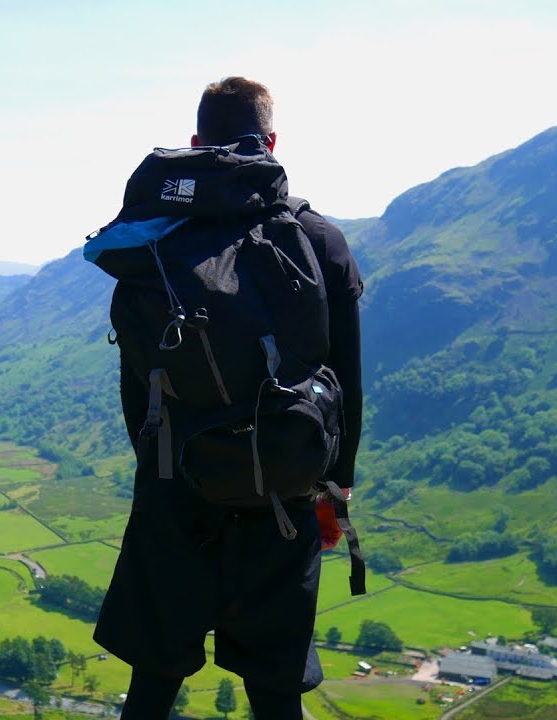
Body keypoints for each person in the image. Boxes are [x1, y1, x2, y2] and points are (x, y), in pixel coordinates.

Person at [90, 77, 364, 719]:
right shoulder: (317, 240)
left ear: (195, 144)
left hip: (175, 492)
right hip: (283, 494)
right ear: (271, 141)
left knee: (154, 682)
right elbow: (346, 384)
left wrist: (161, 476)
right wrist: (333, 489)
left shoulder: (153, 243)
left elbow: (137, 383)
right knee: (275, 690)